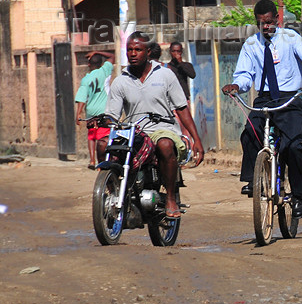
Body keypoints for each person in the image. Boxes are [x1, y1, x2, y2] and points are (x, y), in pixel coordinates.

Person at [222, 0, 302, 219]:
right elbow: (245, 74)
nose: (265, 27)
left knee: (294, 146)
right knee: (250, 133)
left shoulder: (291, 38)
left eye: (268, 22)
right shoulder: (251, 45)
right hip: (264, 100)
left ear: (276, 18)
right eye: (260, 23)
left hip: (290, 98)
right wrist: (236, 85)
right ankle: (253, 181)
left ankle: (299, 197)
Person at [101, 31, 205, 219]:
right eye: (130, 49)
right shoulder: (121, 81)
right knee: (102, 144)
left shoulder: (166, 75)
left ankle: (171, 198)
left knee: (165, 145)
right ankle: (114, 191)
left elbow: (182, 109)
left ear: (148, 52)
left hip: (162, 128)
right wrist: (105, 120)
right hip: (134, 131)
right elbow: (112, 116)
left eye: (138, 50)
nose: (133, 53)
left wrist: (196, 139)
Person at [75, 50, 114, 169]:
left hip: (91, 110)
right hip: (104, 110)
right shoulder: (105, 71)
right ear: (101, 63)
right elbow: (112, 56)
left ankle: (92, 160)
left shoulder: (86, 80)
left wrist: (78, 113)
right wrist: (97, 52)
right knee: (104, 137)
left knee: (92, 136)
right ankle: (103, 160)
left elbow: (82, 98)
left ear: (89, 65)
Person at [168, 41, 197, 139]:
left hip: (183, 100)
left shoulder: (186, 65)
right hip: (170, 101)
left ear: (182, 52)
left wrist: (180, 63)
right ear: (170, 52)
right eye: (174, 51)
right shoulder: (167, 67)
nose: (176, 54)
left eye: (178, 51)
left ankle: (189, 148)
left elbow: (192, 75)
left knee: (185, 127)